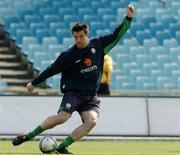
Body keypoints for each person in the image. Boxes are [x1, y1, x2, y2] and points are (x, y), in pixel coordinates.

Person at [12, 4, 135, 154]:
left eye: (81, 36)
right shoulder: (69, 55)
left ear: (86, 33)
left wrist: (128, 18)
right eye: (75, 37)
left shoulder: (99, 45)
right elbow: (52, 69)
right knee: (62, 118)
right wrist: (34, 83)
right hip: (73, 93)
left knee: (92, 121)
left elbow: (117, 34)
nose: (78, 39)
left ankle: (63, 146)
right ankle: (29, 135)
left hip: (90, 96)